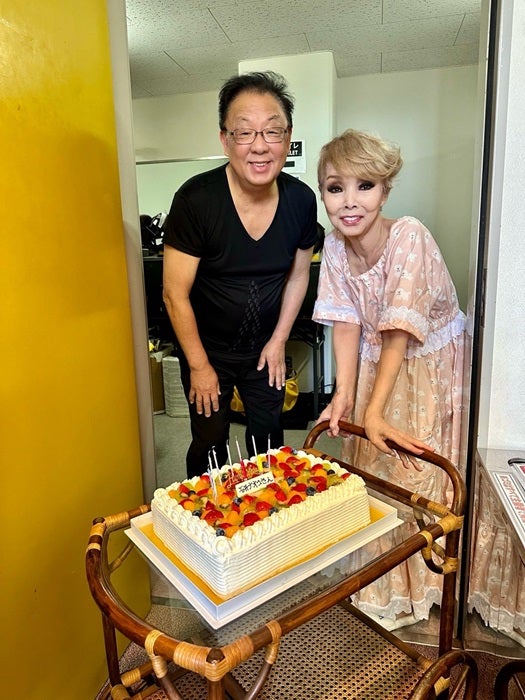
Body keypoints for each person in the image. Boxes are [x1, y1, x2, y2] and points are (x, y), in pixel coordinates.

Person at [313, 128, 466, 628]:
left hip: (426, 365)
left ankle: (426, 584)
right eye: (335, 188)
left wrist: (374, 410)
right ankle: (382, 582)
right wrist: (344, 395)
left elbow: (398, 331)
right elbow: (346, 323)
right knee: (374, 469)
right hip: (377, 363)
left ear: (385, 190)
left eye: (365, 186)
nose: (349, 201)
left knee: (415, 472)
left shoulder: (409, 235)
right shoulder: (334, 247)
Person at [162, 71, 317, 478]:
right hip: (206, 350)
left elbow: (298, 276)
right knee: (210, 443)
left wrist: (279, 340)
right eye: (245, 132)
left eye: (272, 131)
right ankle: (204, 513)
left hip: (266, 348)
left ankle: (265, 511)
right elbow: (175, 294)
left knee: (268, 440)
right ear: (225, 139)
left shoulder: (301, 201)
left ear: (288, 137)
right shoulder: (196, 200)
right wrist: (199, 366)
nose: (260, 146)